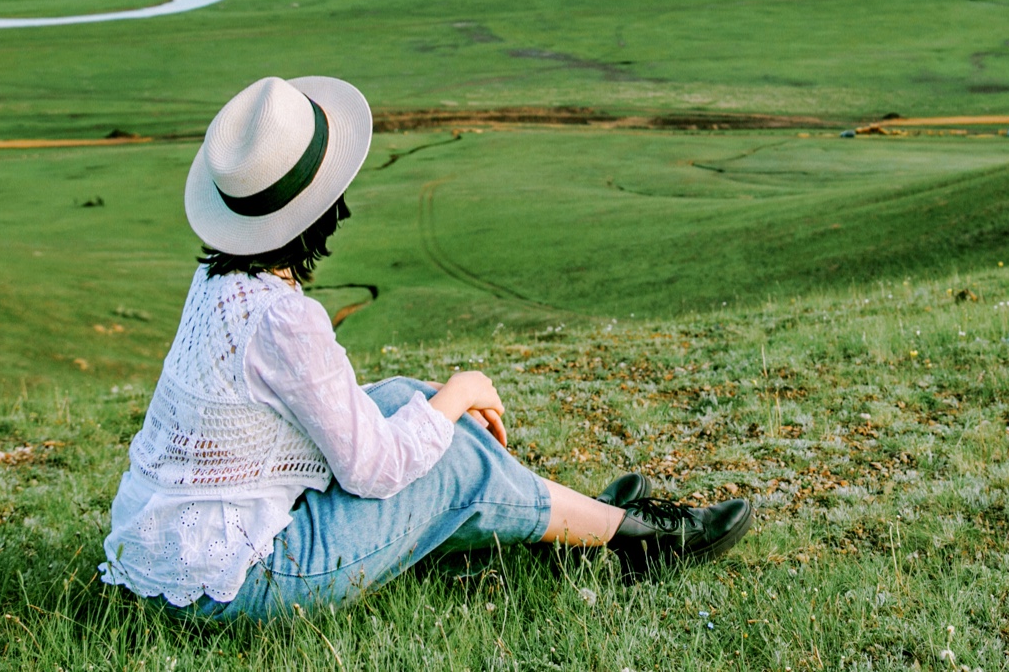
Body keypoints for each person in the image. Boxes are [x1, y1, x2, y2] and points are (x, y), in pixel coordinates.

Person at [100, 74, 752, 617]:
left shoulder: (216, 281)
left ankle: (581, 524)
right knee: (447, 459)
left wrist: (433, 403)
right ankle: (641, 538)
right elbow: (373, 469)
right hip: (242, 583)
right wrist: (464, 388)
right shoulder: (283, 320)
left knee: (403, 398)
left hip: (156, 556)